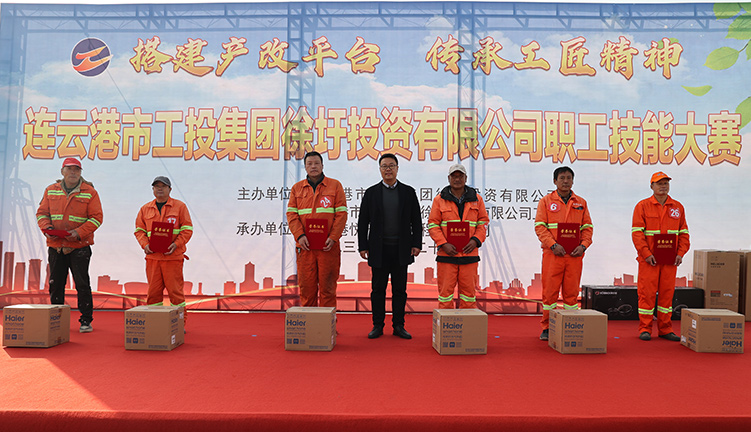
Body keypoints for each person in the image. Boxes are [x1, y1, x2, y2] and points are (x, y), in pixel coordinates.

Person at [358, 154, 422, 339]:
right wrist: (363, 246)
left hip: (401, 249)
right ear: (379, 169)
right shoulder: (371, 193)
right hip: (379, 249)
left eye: (391, 165)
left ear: (397, 168)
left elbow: (416, 221)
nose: (388, 169)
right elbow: (363, 222)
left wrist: (416, 243)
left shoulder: (408, 192)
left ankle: (399, 325)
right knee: (378, 290)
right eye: (384, 166)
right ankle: (377, 325)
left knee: (399, 290)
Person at [36, 158, 103, 333]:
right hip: (56, 245)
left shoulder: (90, 192)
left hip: (79, 246)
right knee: (56, 284)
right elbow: (42, 213)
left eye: (77, 169)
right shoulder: (51, 190)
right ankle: (56, 321)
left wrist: (78, 232)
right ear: (62, 171)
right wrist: (47, 228)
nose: (73, 172)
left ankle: (86, 320)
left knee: (82, 284)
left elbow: (97, 218)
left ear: (80, 172)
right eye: (69, 169)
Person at [534, 166, 594, 341]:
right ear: (555, 181)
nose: (565, 181)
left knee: (571, 294)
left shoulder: (581, 203)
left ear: (573, 181)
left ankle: (570, 325)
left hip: (574, 256)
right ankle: (547, 327)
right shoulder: (545, 201)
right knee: (550, 294)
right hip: (553, 255)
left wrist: (583, 246)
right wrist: (553, 245)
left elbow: (588, 228)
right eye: (562, 178)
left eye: (569, 178)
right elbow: (540, 227)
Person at [632, 172, 689, 341]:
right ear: (651, 186)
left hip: (669, 261)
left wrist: (680, 253)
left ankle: (665, 329)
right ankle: (645, 328)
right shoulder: (642, 206)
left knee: (667, 294)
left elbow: (684, 233)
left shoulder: (677, 207)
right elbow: (637, 234)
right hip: (649, 260)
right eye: (659, 183)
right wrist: (646, 254)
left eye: (665, 183)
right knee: (646, 294)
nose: (663, 186)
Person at [286, 151, 348, 307]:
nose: (313, 166)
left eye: (316, 163)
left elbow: (341, 214)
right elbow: (291, 215)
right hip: (305, 247)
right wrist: (300, 236)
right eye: (309, 164)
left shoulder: (335, 186)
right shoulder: (297, 188)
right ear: (305, 167)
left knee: (328, 289)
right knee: (307, 289)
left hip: (328, 246)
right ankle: (310, 322)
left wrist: (333, 237)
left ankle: (327, 322)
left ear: (322, 165)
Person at [427, 163, 489, 309]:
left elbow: (483, 223)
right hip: (447, 255)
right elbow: (433, 224)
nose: (457, 179)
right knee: (445, 295)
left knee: (469, 295)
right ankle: (446, 323)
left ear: (465, 178)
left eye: (460, 176)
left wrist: (476, 240)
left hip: (469, 254)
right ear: (448, 178)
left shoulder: (477, 199)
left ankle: (467, 323)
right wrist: (443, 244)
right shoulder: (439, 200)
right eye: (454, 176)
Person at [134, 176, 193, 322]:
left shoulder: (180, 207)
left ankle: (179, 323)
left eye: (163, 186)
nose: (159, 189)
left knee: (175, 293)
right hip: (153, 258)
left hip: (173, 257)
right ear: (153, 189)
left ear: (170, 189)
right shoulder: (145, 209)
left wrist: (176, 244)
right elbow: (139, 231)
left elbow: (187, 229)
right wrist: (145, 245)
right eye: (157, 186)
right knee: (153, 293)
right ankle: (156, 323)